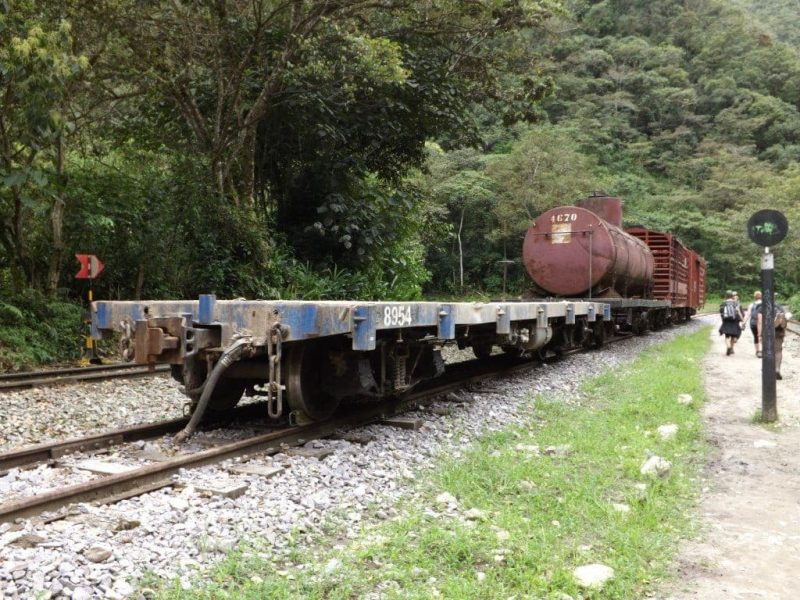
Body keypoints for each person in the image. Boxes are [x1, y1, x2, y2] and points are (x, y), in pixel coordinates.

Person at [757, 301, 792, 380]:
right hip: (778, 332)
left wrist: (759, 334)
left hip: (767, 331)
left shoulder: (762, 307)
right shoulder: (779, 306)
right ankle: (777, 369)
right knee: (778, 351)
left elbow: (759, 322)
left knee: (767, 350)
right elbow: (785, 321)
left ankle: (767, 369)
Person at [719, 290, 742, 355]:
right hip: (734, 321)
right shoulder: (735, 303)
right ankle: (731, 348)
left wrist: (723, 320)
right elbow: (738, 312)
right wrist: (742, 320)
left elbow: (721, 312)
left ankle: (728, 346)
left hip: (726, 321)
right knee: (733, 336)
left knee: (727, 336)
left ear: (726, 296)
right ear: (732, 296)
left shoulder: (723, 303)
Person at [742, 291, 762, 357]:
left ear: (754, 297)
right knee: (763, 336)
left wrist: (743, 323)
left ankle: (758, 351)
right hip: (763, 323)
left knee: (756, 337)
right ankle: (763, 350)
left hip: (753, 323)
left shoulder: (751, 305)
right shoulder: (765, 304)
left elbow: (747, 315)